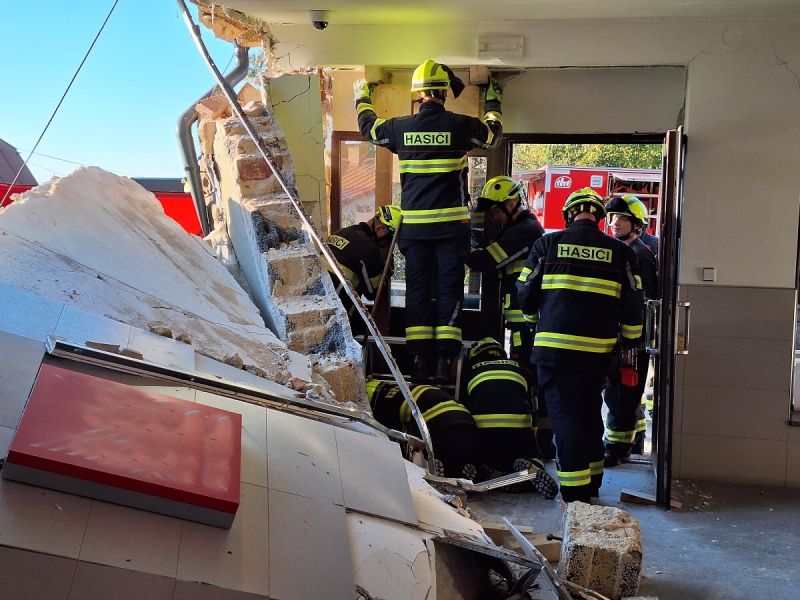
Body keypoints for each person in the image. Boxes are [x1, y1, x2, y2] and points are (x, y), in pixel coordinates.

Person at [354, 60, 503, 384]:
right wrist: (493, 102)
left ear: (417, 94)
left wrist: (362, 97)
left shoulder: (400, 128)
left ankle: (420, 362)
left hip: (415, 232)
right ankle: (443, 364)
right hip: (451, 231)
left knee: (418, 292)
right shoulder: (461, 126)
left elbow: (370, 128)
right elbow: (492, 137)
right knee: (449, 291)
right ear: (444, 93)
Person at [517, 188, 644, 503]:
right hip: (597, 355)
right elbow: (633, 303)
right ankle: (593, 481)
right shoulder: (621, 252)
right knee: (589, 413)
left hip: (554, 352)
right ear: (599, 217)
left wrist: (533, 320)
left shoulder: (548, 244)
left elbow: (525, 288)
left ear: (569, 215)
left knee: (565, 419)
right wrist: (628, 342)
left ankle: (575, 493)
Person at [465, 176, 554, 458]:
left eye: (497, 210)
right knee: (531, 377)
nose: (495, 216)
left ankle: (541, 444)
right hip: (521, 323)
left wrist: (459, 248)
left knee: (531, 378)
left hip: (527, 324)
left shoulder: (526, 231)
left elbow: (486, 261)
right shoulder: (516, 229)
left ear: (513, 202)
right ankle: (541, 441)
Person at [463, 337, 558, 498]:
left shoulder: (470, 371)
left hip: (484, 435)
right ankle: (532, 468)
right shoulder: (522, 369)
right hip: (518, 432)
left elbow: (464, 408)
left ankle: (488, 472)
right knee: (532, 454)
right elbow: (534, 408)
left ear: (476, 356)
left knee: (478, 458)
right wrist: (532, 436)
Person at [602, 195, 659, 465]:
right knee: (626, 393)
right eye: (613, 218)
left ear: (637, 225)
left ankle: (616, 449)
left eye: (622, 219)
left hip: (632, 339)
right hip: (623, 335)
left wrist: (631, 338)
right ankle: (632, 442)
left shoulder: (639, 253)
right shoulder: (621, 250)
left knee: (621, 395)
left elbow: (646, 298)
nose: (615, 223)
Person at [366, 379, 480, 479]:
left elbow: (391, 438)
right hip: (466, 419)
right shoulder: (404, 389)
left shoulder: (383, 407)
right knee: (460, 454)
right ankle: (470, 470)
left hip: (435, 422)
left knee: (416, 451)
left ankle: (434, 470)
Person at [326, 205, 401, 335]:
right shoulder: (368, 248)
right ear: (379, 228)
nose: (390, 245)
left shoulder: (341, 232)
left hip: (319, 302)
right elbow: (372, 293)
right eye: (390, 239)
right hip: (337, 313)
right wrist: (387, 268)